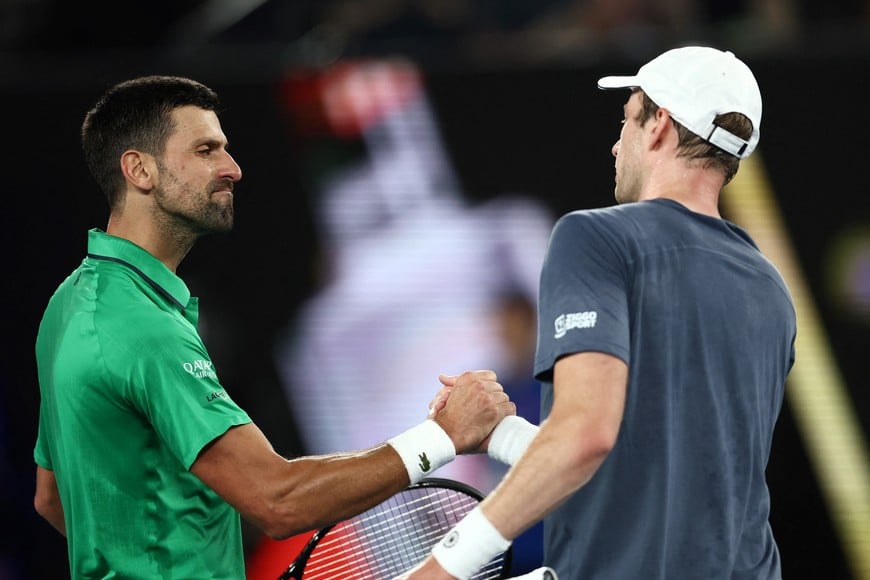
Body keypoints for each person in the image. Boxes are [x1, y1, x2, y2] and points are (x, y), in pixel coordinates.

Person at [31, 75, 516, 579]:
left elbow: (52, 496)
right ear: (139, 170)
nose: (232, 169)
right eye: (205, 150)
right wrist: (444, 435)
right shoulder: (143, 329)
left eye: (225, 148)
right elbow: (277, 500)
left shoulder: (70, 304)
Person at [399, 45, 797, 580]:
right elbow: (655, 478)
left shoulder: (595, 237)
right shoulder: (771, 288)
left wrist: (441, 569)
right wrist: (505, 435)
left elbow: (584, 437)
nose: (615, 145)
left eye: (626, 121)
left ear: (659, 126)